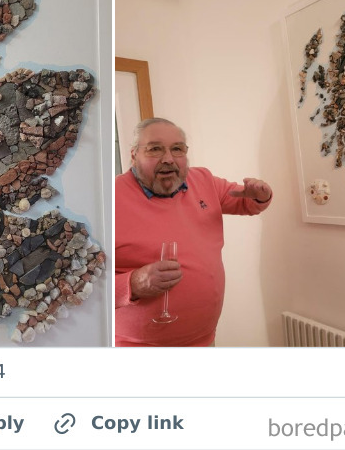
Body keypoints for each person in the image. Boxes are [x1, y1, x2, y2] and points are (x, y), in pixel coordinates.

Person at [115, 117, 273, 346]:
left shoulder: (204, 180)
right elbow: (81, 285)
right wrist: (132, 284)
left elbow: (245, 202)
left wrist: (260, 194)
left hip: (205, 340)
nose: (168, 159)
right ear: (133, 155)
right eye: (155, 149)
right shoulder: (109, 200)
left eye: (177, 149)